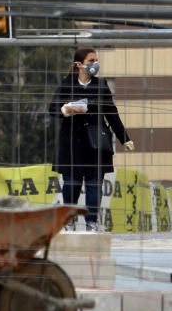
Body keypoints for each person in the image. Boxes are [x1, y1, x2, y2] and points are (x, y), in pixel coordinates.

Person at [49, 47, 134, 230]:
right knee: (71, 185)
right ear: (79, 64)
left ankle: (92, 222)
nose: (95, 64)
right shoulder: (66, 84)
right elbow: (52, 109)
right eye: (91, 60)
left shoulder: (101, 85)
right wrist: (65, 110)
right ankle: (68, 221)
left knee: (95, 186)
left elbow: (112, 113)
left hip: (96, 144)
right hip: (72, 144)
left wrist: (124, 138)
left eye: (96, 60)